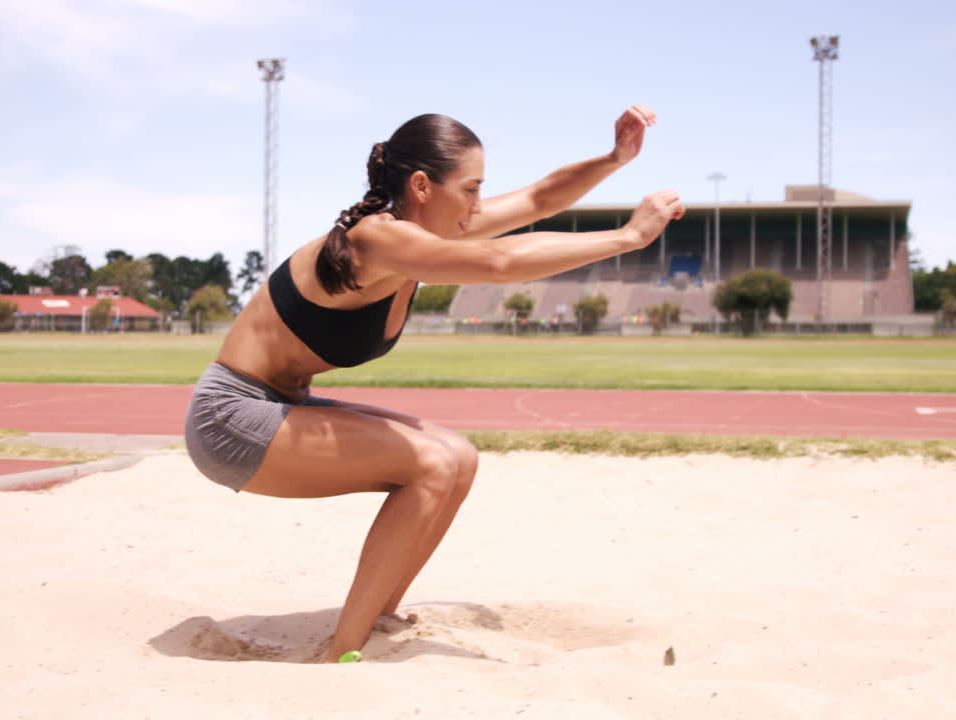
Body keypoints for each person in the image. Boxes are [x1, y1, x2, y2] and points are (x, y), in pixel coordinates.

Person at [184, 104, 685, 663]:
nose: (477, 205)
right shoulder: (378, 240)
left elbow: (540, 200)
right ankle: (342, 653)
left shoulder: (425, 234)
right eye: (470, 190)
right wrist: (627, 237)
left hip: (279, 406)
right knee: (432, 465)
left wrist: (614, 158)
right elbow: (497, 263)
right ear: (422, 185)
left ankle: (375, 616)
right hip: (230, 421)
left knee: (459, 457)